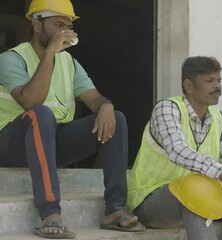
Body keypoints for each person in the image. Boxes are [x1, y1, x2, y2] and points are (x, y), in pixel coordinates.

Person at [0, 0, 144, 238]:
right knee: (40, 115)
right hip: (12, 143)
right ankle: (50, 213)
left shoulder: (70, 63)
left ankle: (115, 209)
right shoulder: (11, 59)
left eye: (68, 26)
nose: (64, 32)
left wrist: (106, 106)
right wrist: (49, 53)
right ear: (37, 25)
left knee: (115, 118)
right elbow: (30, 101)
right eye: (58, 24)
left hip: (50, 141)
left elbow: (94, 98)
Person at [127, 56, 222, 240]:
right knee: (197, 193)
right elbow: (178, 151)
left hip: (199, 193)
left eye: (219, 80)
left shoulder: (219, 118)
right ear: (189, 86)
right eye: (209, 81)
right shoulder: (167, 108)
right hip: (153, 201)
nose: (218, 86)